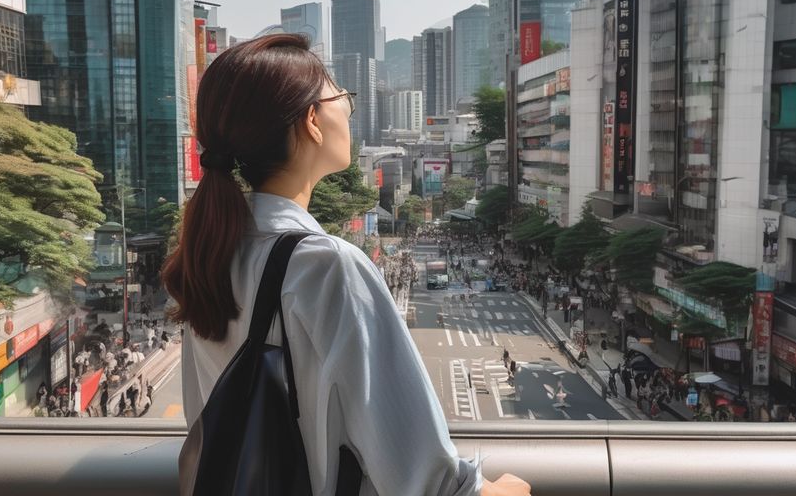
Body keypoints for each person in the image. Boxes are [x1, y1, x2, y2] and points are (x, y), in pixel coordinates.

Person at [162, 34, 529, 496]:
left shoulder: (213, 253)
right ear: (312, 121)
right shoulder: (326, 266)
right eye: (342, 99)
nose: (349, 112)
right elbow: (423, 476)